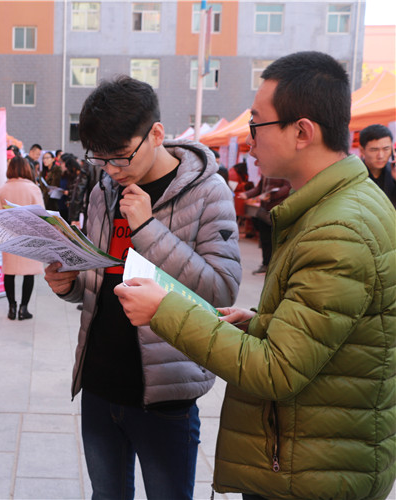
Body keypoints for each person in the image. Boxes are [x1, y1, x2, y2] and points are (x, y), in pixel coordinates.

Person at [114, 51, 396, 500]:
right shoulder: (341, 206)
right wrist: (261, 324)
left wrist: (164, 310)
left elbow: (276, 371)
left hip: (311, 473)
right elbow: (324, 338)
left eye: (257, 125)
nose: (248, 142)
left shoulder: (340, 229)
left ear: (302, 131)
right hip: (314, 456)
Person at [43, 76, 241, 499]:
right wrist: (69, 284)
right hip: (99, 383)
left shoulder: (209, 192)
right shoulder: (103, 190)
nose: (113, 170)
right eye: (102, 160)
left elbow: (222, 292)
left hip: (164, 394)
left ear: (156, 133)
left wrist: (148, 228)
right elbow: (100, 279)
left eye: (121, 158)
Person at [0, 156, 44, 320]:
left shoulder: (2, 189)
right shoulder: (33, 189)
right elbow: (42, 215)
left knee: (9, 272)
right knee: (28, 274)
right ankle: (24, 309)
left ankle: (11, 308)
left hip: (9, 236)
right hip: (30, 236)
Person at [238, 175, 291, 274]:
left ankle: (275, 266)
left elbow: (287, 187)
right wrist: (247, 194)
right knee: (265, 239)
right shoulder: (266, 171)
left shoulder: (283, 170)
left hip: (277, 210)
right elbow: (259, 188)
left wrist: (272, 196)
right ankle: (266, 264)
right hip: (264, 210)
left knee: (275, 240)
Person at [359, 123, 395, 208]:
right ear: (362, 150)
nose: (380, 156)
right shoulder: (353, 176)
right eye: (374, 150)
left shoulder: (393, 172)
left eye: (386, 149)